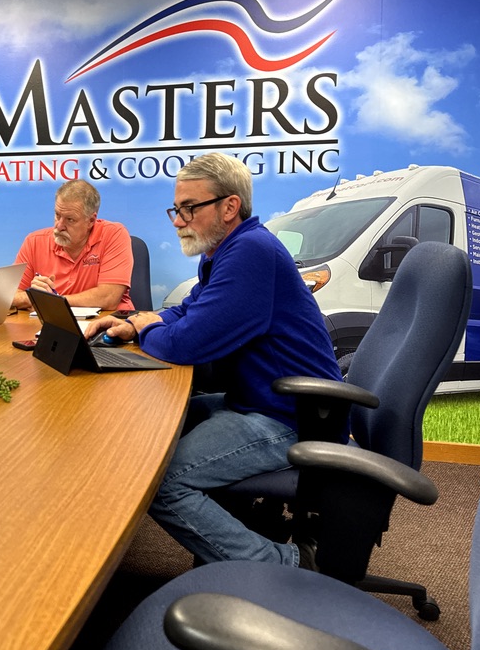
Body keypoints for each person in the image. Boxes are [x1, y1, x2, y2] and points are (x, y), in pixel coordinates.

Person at [85, 152, 343, 569]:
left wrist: (147, 328)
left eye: (189, 208)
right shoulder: (223, 251)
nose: (177, 221)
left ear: (229, 206)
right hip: (259, 400)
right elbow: (187, 311)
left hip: (290, 417)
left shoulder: (250, 253)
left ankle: (287, 564)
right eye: (176, 209)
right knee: (147, 428)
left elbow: (187, 343)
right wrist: (135, 325)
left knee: (159, 481)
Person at [11, 179, 134, 311]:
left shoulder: (113, 234)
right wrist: (33, 297)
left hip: (107, 321)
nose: (59, 226)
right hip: (52, 321)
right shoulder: (34, 242)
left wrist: (50, 301)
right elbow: (8, 297)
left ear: (91, 220)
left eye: (70, 219)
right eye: (57, 215)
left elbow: (108, 298)